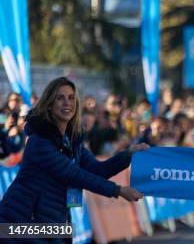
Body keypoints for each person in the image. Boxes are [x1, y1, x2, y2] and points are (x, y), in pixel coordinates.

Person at [0, 77, 148, 237]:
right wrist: (119, 190)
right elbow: (75, 175)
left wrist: (129, 155)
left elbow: (98, 170)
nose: (67, 103)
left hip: (52, 221)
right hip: (19, 223)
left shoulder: (72, 142)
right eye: (60, 98)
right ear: (49, 104)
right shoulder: (39, 141)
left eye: (71, 98)